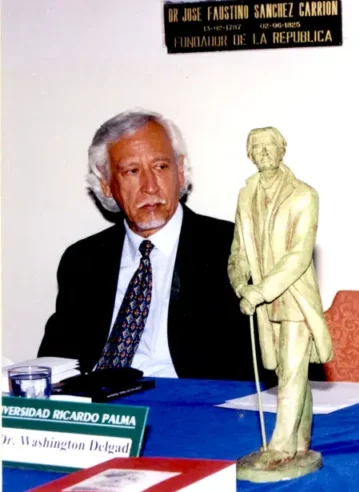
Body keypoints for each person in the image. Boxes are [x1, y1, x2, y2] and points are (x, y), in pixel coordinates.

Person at [38, 109, 263, 382]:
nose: (150, 186)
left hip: (187, 409)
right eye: (132, 171)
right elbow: (55, 363)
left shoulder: (236, 248)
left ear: (180, 171)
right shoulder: (83, 259)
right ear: (106, 185)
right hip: (99, 409)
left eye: (160, 167)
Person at [228, 127, 333, 467]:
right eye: (256, 148)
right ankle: (301, 438)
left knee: (289, 372)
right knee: (289, 371)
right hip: (262, 303)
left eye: (269, 146)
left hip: (294, 301)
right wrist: (240, 283)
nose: (263, 152)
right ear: (249, 154)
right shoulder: (246, 196)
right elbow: (238, 251)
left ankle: (281, 447)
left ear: (282, 149)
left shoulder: (305, 195)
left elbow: (299, 255)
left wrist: (258, 292)